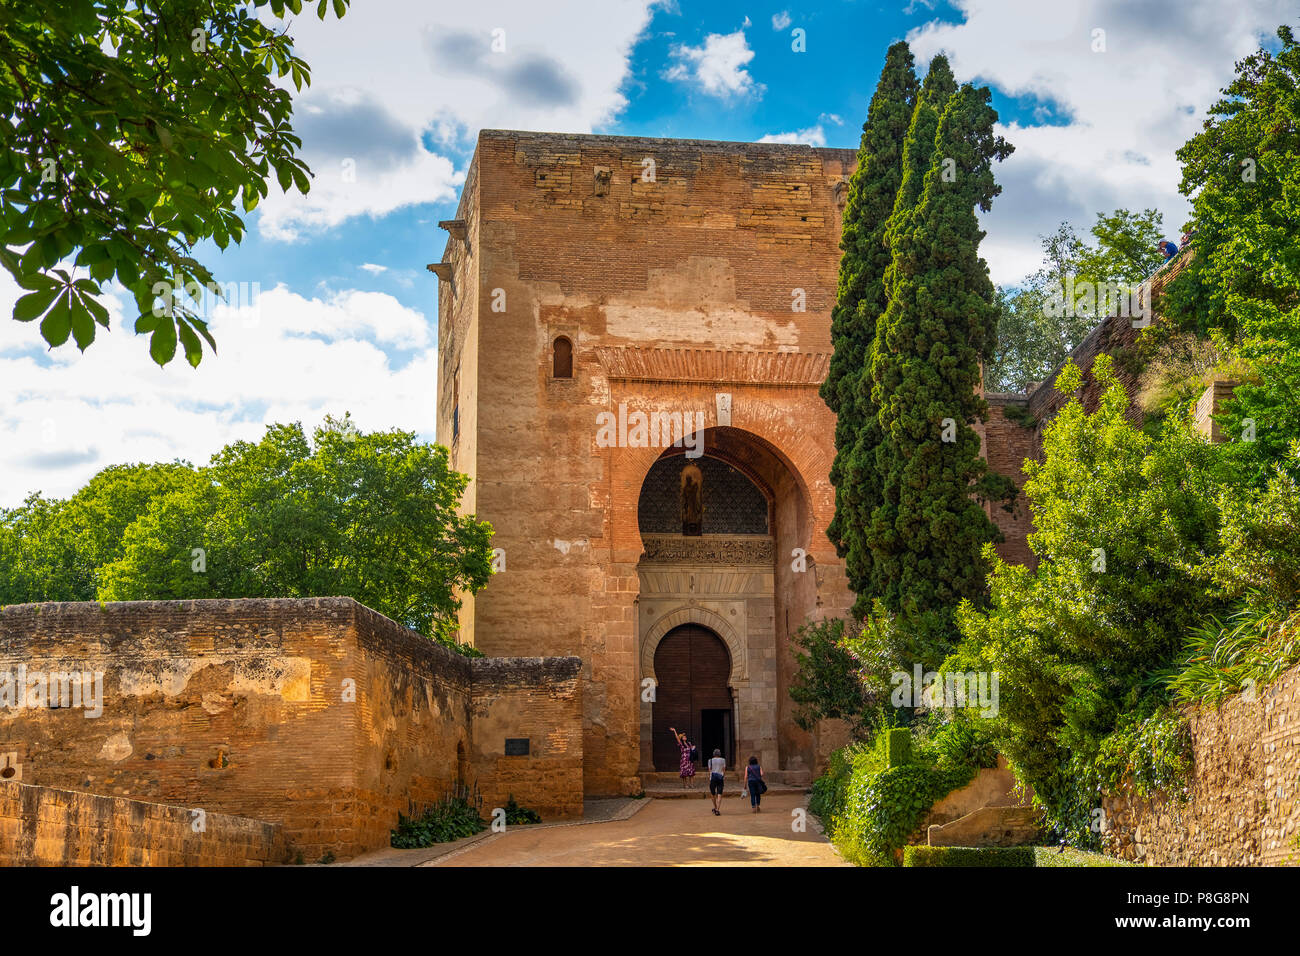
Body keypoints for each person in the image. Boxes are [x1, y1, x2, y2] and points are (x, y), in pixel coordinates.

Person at [707, 749, 727, 815]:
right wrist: (723, 776)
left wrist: (710, 777)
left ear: (714, 754)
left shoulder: (710, 760)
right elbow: (724, 769)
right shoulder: (723, 760)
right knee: (719, 793)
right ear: (719, 754)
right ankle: (717, 809)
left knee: (713, 793)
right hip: (720, 778)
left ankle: (715, 807)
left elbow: (709, 770)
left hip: (713, 778)